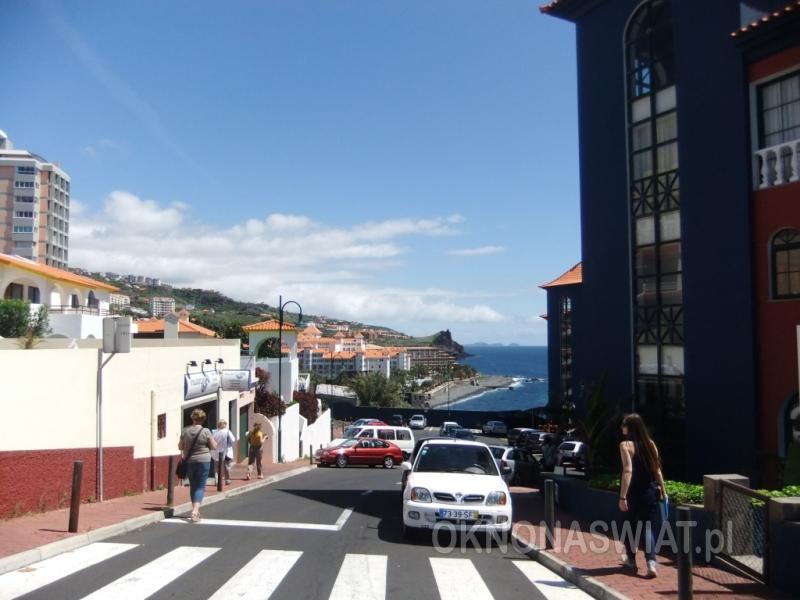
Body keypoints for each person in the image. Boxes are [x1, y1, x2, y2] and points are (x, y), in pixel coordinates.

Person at [618, 413, 666, 578]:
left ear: (630, 427)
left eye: (624, 425)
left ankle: (631, 560)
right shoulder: (650, 444)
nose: (621, 427)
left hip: (633, 493)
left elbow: (628, 470)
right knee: (647, 527)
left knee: (629, 526)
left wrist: (623, 496)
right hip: (650, 492)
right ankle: (651, 563)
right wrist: (664, 491)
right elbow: (657, 470)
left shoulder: (625, 445)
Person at [178, 408, 217, 523]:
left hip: (189, 461)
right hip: (204, 461)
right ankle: (195, 511)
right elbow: (213, 446)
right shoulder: (206, 431)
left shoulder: (185, 431)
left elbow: (180, 447)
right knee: (200, 486)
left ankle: (195, 509)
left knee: (193, 486)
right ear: (203, 419)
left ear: (192, 418)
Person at [211, 420, 237, 485]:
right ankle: (227, 479)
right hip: (225, 451)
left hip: (216, 452)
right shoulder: (227, 431)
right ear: (225, 424)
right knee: (226, 466)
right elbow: (233, 440)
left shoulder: (214, 432)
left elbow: (212, 441)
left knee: (216, 467)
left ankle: (217, 481)